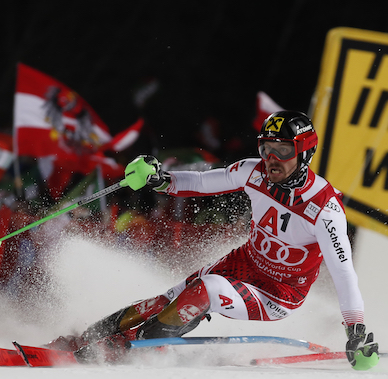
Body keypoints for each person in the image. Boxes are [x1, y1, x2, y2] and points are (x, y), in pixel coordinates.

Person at [48, 111, 379, 370]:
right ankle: (85, 338)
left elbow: (343, 271)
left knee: (208, 289)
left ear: (305, 152)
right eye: (266, 148)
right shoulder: (255, 172)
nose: (271, 159)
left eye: (282, 150)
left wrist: (356, 330)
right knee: (164, 301)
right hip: (243, 263)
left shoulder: (325, 209)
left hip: (277, 293)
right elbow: (204, 182)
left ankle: (123, 349)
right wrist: (160, 180)